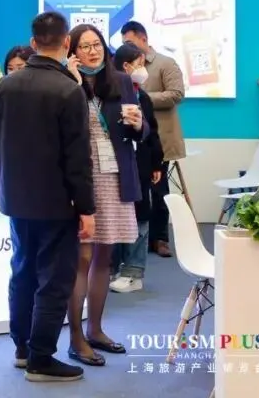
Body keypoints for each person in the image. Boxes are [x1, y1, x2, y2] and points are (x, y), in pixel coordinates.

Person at [0, 11, 95, 383]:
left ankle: (22, 348)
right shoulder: (69, 90)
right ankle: (41, 358)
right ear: (67, 43)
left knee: (22, 272)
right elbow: (77, 158)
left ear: (33, 43)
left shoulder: (4, 86)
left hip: (15, 199)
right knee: (54, 280)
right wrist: (87, 208)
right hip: (56, 202)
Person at [63, 25, 146, 367]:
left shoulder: (121, 81)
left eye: (96, 44)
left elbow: (142, 131)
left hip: (114, 175)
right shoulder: (65, 83)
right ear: (73, 52)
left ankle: (95, 329)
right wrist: (74, 82)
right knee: (81, 257)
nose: (92, 51)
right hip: (81, 177)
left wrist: (138, 123)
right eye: (84, 46)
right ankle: (76, 338)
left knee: (104, 257)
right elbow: (64, 129)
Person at [120, 20, 185, 258]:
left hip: (160, 139)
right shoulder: (122, 68)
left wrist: (142, 97)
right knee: (136, 192)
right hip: (134, 142)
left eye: (130, 41)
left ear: (143, 39)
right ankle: (136, 241)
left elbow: (176, 94)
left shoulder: (165, 63)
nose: (127, 46)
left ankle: (161, 239)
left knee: (159, 191)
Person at [109, 42, 165, 294]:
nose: (143, 70)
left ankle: (134, 272)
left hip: (140, 165)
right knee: (114, 217)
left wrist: (156, 162)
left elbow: (152, 132)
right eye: (140, 64)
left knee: (140, 217)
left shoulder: (142, 96)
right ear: (125, 66)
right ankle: (111, 268)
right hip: (114, 164)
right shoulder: (109, 94)